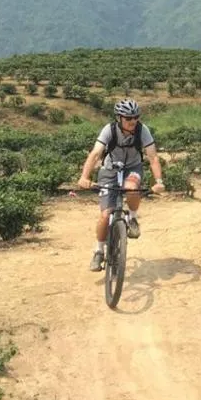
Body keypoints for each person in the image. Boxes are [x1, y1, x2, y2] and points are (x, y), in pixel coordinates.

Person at [76, 98, 165, 271]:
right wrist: (84, 177)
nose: (133, 121)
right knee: (105, 215)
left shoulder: (142, 130)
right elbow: (95, 154)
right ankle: (99, 251)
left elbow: (153, 157)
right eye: (128, 118)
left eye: (136, 117)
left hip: (132, 167)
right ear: (119, 118)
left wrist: (159, 181)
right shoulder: (109, 130)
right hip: (109, 170)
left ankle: (132, 218)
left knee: (132, 189)